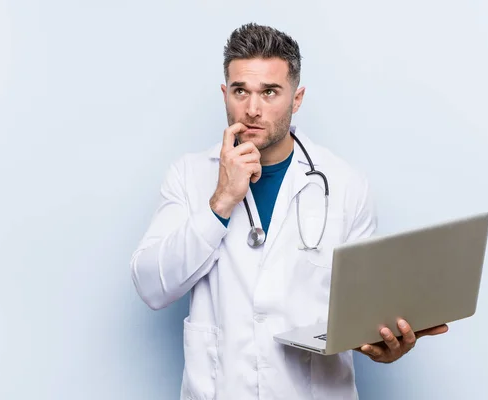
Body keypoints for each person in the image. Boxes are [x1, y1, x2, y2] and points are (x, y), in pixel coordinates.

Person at [130, 22, 448, 400]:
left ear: (296, 99)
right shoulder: (188, 175)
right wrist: (221, 202)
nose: (252, 109)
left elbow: (365, 309)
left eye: (269, 92)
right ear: (224, 94)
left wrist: (386, 344)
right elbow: (150, 286)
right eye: (240, 91)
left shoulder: (345, 185)